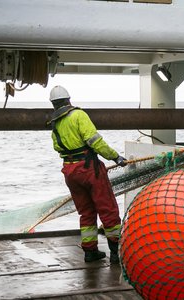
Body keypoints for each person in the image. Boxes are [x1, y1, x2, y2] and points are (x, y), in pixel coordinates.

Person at [46, 85, 127, 263]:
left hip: (70, 171)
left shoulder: (55, 123)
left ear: (53, 104)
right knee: (108, 208)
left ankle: (90, 252)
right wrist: (115, 157)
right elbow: (94, 141)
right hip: (88, 168)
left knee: (86, 212)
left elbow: (56, 147)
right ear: (68, 100)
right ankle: (115, 252)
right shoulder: (78, 115)